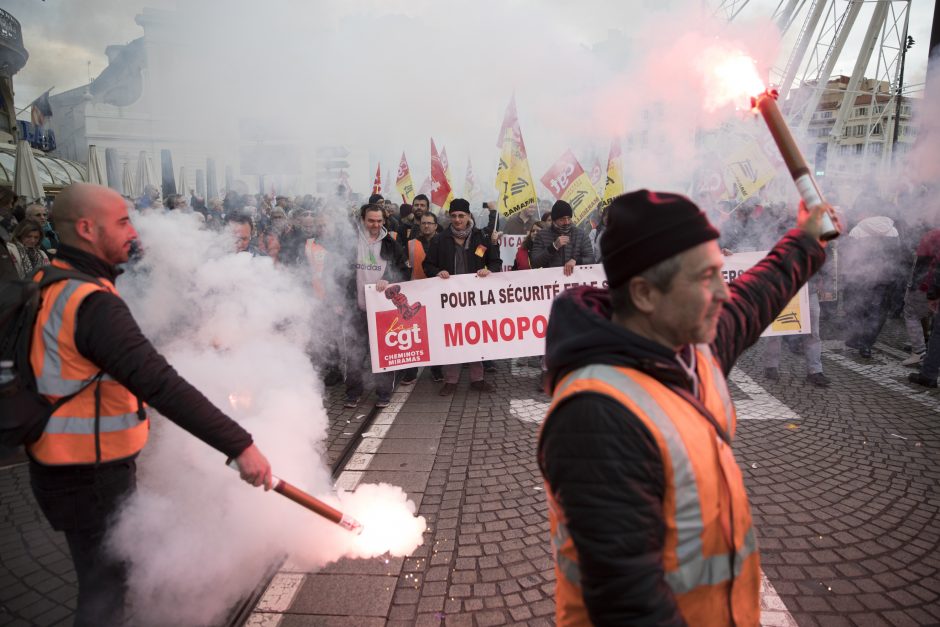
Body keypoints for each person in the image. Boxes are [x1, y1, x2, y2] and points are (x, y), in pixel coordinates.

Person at [538, 189, 835, 626]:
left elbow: (757, 294)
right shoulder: (597, 415)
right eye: (705, 278)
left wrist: (808, 240)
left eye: (721, 273)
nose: (723, 293)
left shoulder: (690, 346)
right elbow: (630, 606)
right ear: (643, 294)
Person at [25, 183, 272, 627]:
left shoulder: (52, 281)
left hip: (63, 467)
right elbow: (159, 382)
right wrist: (240, 445)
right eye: (121, 221)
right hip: (91, 473)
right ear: (85, 228)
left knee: (104, 583)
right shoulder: (91, 302)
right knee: (104, 593)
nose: (133, 233)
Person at [423, 198, 501, 395]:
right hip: (450, 300)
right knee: (453, 337)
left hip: (475, 299)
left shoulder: (480, 238)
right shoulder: (440, 239)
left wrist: (488, 271)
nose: (457, 219)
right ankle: (451, 380)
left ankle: (478, 378)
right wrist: (437, 272)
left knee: (475, 336)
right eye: (454, 216)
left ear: (468, 216)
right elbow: (428, 265)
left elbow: (495, 262)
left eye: (461, 216)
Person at [344, 203, 407, 408]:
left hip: (381, 309)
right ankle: (353, 393)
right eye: (371, 220)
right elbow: (338, 273)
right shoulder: (351, 242)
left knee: (384, 351)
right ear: (363, 219)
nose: (375, 225)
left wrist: (388, 279)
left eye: (379, 221)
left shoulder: (390, 243)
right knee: (355, 352)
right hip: (356, 307)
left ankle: (384, 393)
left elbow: (403, 271)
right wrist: (341, 301)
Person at [400, 212, 444, 385]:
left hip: (437, 294)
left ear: (435, 225)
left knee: (436, 334)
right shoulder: (410, 245)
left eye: (429, 223)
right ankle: (411, 371)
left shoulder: (443, 243)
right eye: (423, 223)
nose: (426, 226)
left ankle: (436, 369)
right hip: (416, 294)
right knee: (414, 334)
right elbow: (403, 267)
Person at [900, 227, 940, 366]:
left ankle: (919, 351)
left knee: (911, 314)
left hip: (927, 284)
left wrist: (917, 286)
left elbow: (922, 263)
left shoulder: (932, 235)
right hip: (932, 284)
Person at [530, 200, 594, 276]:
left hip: (575, 282)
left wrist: (576, 261)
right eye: (562, 219)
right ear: (554, 220)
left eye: (569, 218)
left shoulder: (581, 234)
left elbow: (591, 259)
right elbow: (534, 263)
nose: (566, 222)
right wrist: (553, 247)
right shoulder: (542, 235)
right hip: (551, 283)